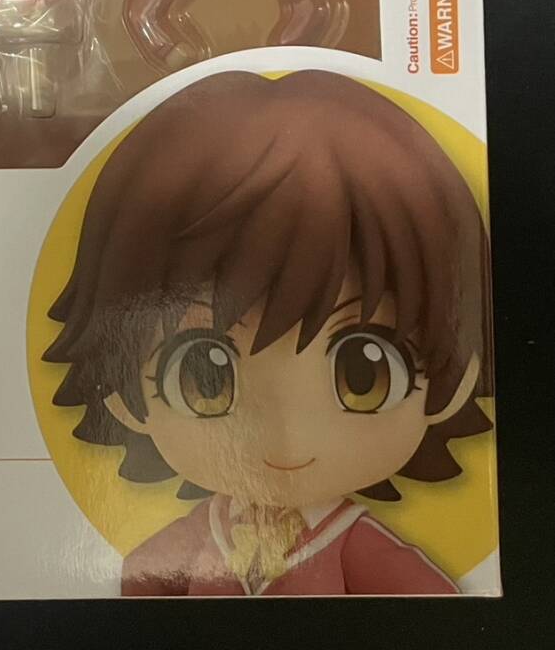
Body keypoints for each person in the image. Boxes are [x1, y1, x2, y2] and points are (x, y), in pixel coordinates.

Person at [44, 70, 491, 595]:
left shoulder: (355, 545)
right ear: (121, 393)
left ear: (455, 376)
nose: (286, 432)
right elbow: (141, 578)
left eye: (362, 376)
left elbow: (436, 610)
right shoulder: (200, 536)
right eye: (204, 378)